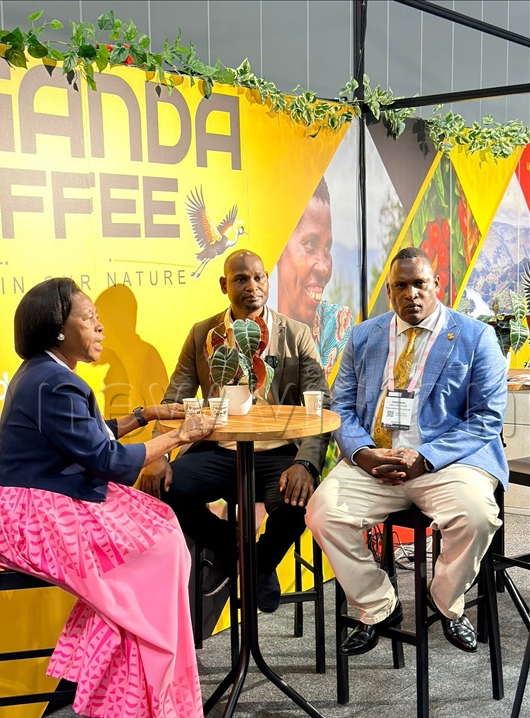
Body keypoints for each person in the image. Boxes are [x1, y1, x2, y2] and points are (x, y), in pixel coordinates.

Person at [0, 278, 220, 718]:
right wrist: (180, 434)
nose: (100, 325)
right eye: (89, 318)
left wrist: (146, 414)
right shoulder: (54, 380)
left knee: (159, 526)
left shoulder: (46, 373)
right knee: (158, 543)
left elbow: (89, 437)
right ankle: (128, 664)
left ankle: (124, 650)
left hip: (39, 497)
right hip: (27, 515)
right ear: (58, 330)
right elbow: (107, 460)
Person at [306, 247, 508, 656]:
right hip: (376, 461)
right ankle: (378, 605)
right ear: (389, 292)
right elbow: (340, 406)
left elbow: (487, 417)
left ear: (437, 285)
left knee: (478, 515)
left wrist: (426, 457)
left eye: (420, 283)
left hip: (446, 463)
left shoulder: (475, 336)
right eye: (401, 286)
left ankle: (446, 600)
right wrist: (363, 454)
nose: (411, 293)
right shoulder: (364, 336)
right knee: (322, 513)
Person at [139, 249, 331, 614]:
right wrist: (158, 455)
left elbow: (319, 403)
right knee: (163, 489)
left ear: (267, 282)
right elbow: (174, 399)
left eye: (259, 278)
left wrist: (306, 462)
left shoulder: (297, 334)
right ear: (224, 285)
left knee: (297, 503)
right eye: (241, 279)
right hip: (218, 449)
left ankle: (258, 564)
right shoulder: (203, 334)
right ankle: (239, 550)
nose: (252, 286)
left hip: (277, 452)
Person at [276, 176, 353, 378]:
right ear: (279, 248)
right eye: (310, 244)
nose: (323, 267)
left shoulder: (335, 322)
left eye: (327, 248)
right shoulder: (251, 328)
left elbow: (327, 400)